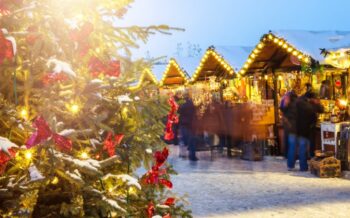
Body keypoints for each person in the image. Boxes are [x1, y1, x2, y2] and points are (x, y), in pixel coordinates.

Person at [178, 92, 198, 161]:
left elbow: (178, 113)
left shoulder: (182, 105)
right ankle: (192, 155)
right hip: (190, 124)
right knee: (191, 141)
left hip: (183, 124)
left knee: (183, 140)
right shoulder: (191, 104)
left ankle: (183, 154)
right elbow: (194, 114)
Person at [280, 90, 298, 157]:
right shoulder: (295, 103)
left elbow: (282, 110)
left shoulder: (287, 102)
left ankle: (287, 154)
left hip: (288, 123)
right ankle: (291, 155)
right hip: (292, 124)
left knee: (288, 139)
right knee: (291, 140)